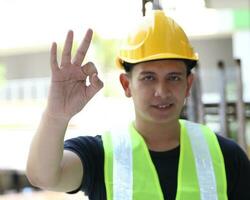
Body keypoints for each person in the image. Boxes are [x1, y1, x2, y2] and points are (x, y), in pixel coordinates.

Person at [26, 10, 250, 200]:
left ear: (188, 84)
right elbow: (43, 176)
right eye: (149, 77)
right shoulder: (101, 154)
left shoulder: (225, 155)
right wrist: (56, 116)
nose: (162, 91)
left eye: (173, 78)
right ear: (126, 84)